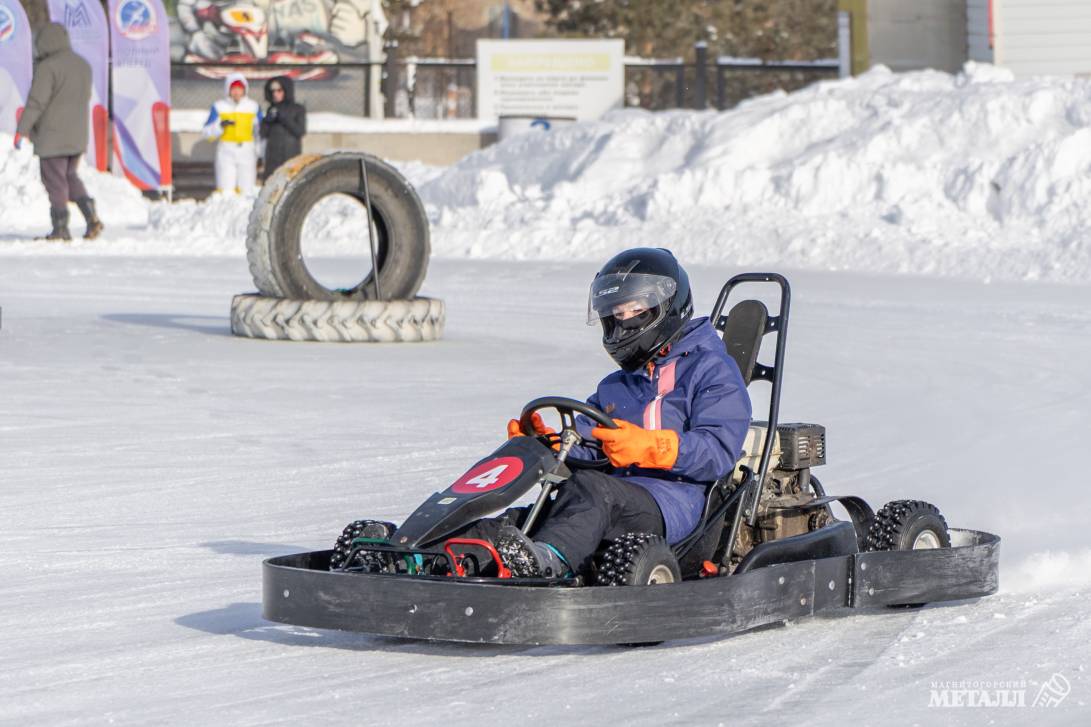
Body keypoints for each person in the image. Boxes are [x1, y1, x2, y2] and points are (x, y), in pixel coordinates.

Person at [465, 248, 754, 578]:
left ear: (666, 306)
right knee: (519, 523)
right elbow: (589, 445)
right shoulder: (616, 385)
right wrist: (547, 444)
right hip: (604, 502)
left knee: (592, 490)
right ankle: (426, 557)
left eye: (635, 309)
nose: (624, 320)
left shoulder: (711, 370)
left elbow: (718, 451)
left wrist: (651, 447)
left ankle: (547, 564)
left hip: (677, 503)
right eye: (617, 312)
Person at [14, 23, 104, 241]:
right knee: (70, 176)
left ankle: (60, 228)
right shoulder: (83, 65)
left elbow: (37, 102)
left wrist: (22, 130)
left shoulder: (48, 68)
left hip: (52, 136)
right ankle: (91, 217)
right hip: (77, 136)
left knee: (55, 181)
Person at [202, 72, 261, 194]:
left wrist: (260, 153)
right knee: (225, 189)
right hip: (226, 151)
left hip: (247, 151)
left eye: (240, 89)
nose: (237, 92)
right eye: (233, 89)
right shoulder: (219, 107)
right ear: (228, 90)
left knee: (247, 189)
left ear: (245, 90)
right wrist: (220, 126)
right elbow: (207, 133)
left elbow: (260, 132)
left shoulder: (253, 107)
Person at [259, 76, 306, 180]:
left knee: (290, 180)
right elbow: (263, 133)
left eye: (279, 90)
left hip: (290, 153)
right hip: (273, 155)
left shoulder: (297, 109)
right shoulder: (271, 109)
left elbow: (300, 131)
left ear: (286, 90)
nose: (275, 94)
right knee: (271, 181)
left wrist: (284, 118)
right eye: (273, 91)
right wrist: (266, 121)